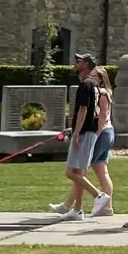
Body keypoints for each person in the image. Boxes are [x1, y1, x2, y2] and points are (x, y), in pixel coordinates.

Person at [51, 54, 101, 219]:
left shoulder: (85, 84)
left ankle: (99, 196)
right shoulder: (92, 84)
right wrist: (73, 129)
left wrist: (77, 132)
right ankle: (77, 210)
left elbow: (83, 110)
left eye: (78, 61)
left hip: (85, 132)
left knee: (71, 173)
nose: (76, 63)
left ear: (86, 65)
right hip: (87, 131)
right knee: (79, 173)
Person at [88, 66, 117, 218]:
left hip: (103, 133)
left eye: (95, 75)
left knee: (79, 171)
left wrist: (95, 135)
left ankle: (69, 205)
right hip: (106, 132)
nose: (91, 77)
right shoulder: (99, 93)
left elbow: (102, 116)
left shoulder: (102, 94)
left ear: (101, 79)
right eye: (90, 75)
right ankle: (107, 208)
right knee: (101, 171)